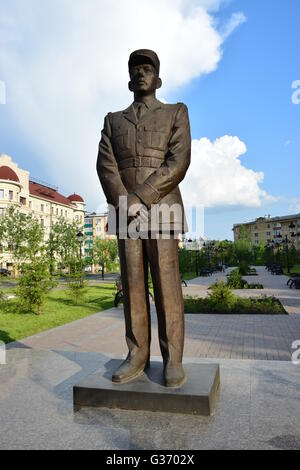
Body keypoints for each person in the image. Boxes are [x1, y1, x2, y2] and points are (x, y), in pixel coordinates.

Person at [97, 49, 191, 387]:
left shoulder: (175, 112)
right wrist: (125, 203)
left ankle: (173, 360)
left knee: (167, 288)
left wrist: (141, 197)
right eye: (135, 69)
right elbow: (106, 165)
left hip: (162, 211)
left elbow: (177, 162)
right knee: (133, 287)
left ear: (158, 78)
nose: (140, 73)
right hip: (125, 216)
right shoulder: (113, 120)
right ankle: (137, 354)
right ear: (128, 79)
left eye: (147, 68)